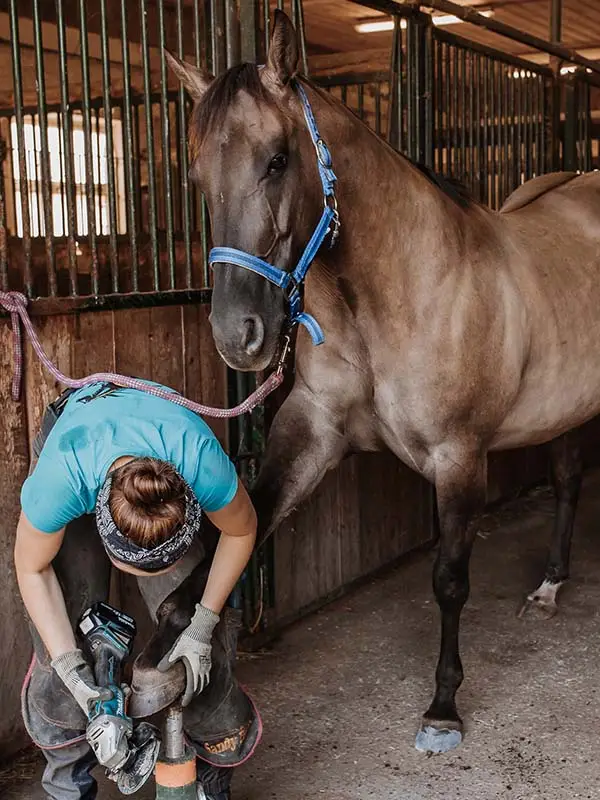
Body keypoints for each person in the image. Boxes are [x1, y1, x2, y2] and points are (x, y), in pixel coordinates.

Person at [14, 380, 258, 800]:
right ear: (110, 543)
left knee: (195, 642)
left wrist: (202, 624)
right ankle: (67, 787)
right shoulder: (60, 481)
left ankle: (211, 783)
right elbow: (31, 567)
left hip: (160, 439)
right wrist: (72, 669)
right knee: (61, 644)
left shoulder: (200, 463)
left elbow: (242, 530)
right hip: (77, 434)